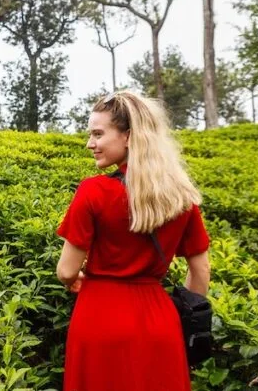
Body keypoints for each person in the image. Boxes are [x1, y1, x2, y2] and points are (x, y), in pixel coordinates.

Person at [55, 90, 211, 391]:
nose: (90, 143)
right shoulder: (181, 197)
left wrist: (73, 279)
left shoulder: (93, 192)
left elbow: (65, 270)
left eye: (98, 134)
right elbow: (201, 270)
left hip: (99, 318)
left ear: (128, 136)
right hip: (160, 323)